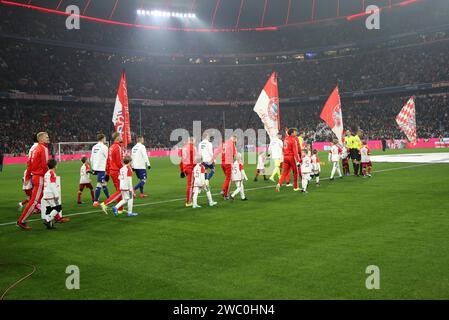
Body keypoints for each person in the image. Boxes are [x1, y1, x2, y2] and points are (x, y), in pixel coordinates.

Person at [17, 132, 51, 230]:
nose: (48, 138)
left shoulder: (34, 149)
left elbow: (29, 164)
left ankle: (55, 218)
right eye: (46, 137)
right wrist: (47, 175)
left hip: (35, 176)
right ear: (41, 139)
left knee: (45, 197)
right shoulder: (43, 148)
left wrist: (27, 176)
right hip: (40, 177)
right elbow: (45, 165)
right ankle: (21, 221)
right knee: (34, 201)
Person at [41, 159, 70, 229]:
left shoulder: (47, 173)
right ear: (55, 166)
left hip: (45, 193)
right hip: (50, 194)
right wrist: (56, 194)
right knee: (58, 208)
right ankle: (47, 220)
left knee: (49, 209)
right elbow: (53, 184)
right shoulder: (52, 173)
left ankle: (49, 226)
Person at [100, 132, 124, 214]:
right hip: (117, 171)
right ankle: (105, 203)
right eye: (121, 136)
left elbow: (108, 161)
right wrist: (124, 168)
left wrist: (107, 172)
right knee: (120, 191)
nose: (122, 137)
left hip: (112, 171)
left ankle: (120, 209)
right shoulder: (117, 147)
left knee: (119, 190)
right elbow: (119, 161)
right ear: (117, 137)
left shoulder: (111, 147)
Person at [211, 135, 237, 200]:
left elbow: (217, 151)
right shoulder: (232, 144)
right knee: (228, 179)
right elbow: (234, 154)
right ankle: (225, 195)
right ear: (233, 139)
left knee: (227, 178)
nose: (235, 141)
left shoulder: (224, 143)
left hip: (222, 163)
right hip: (228, 163)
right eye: (235, 140)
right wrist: (233, 162)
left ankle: (223, 190)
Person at [276, 128, 301, 192]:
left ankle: (279, 184)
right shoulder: (293, 140)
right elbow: (295, 152)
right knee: (295, 172)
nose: (296, 133)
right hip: (291, 157)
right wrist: (298, 160)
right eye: (295, 132)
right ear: (292, 133)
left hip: (285, 157)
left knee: (284, 172)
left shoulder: (285, 139)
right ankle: (295, 187)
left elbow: (283, 149)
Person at [91, 133, 110, 206]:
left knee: (103, 183)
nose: (105, 140)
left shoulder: (94, 147)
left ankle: (109, 198)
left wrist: (93, 168)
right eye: (104, 138)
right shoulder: (104, 147)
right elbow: (107, 157)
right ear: (102, 139)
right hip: (101, 168)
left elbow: (91, 158)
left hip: (96, 167)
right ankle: (95, 201)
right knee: (99, 183)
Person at [179, 137, 197, 207]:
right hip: (191, 168)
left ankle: (191, 199)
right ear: (192, 141)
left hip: (185, 167)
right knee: (190, 185)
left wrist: (182, 170)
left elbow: (181, 160)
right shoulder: (193, 148)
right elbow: (195, 159)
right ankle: (188, 201)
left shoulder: (184, 147)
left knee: (191, 184)